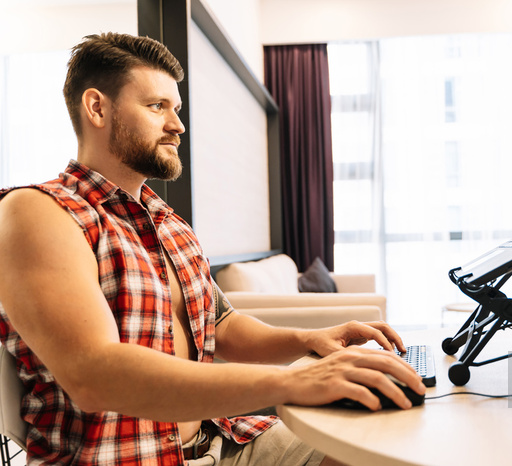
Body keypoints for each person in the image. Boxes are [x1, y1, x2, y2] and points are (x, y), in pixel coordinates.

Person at [0, 32, 425, 465]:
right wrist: (294, 383)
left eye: (176, 108)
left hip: (225, 440)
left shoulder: (167, 221)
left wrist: (309, 340)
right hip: (125, 458)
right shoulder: (39, 212)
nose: (177, 124)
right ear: (97, 108)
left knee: (380, 451)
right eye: (156, 106)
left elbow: (220, 324)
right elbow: (93, 375)